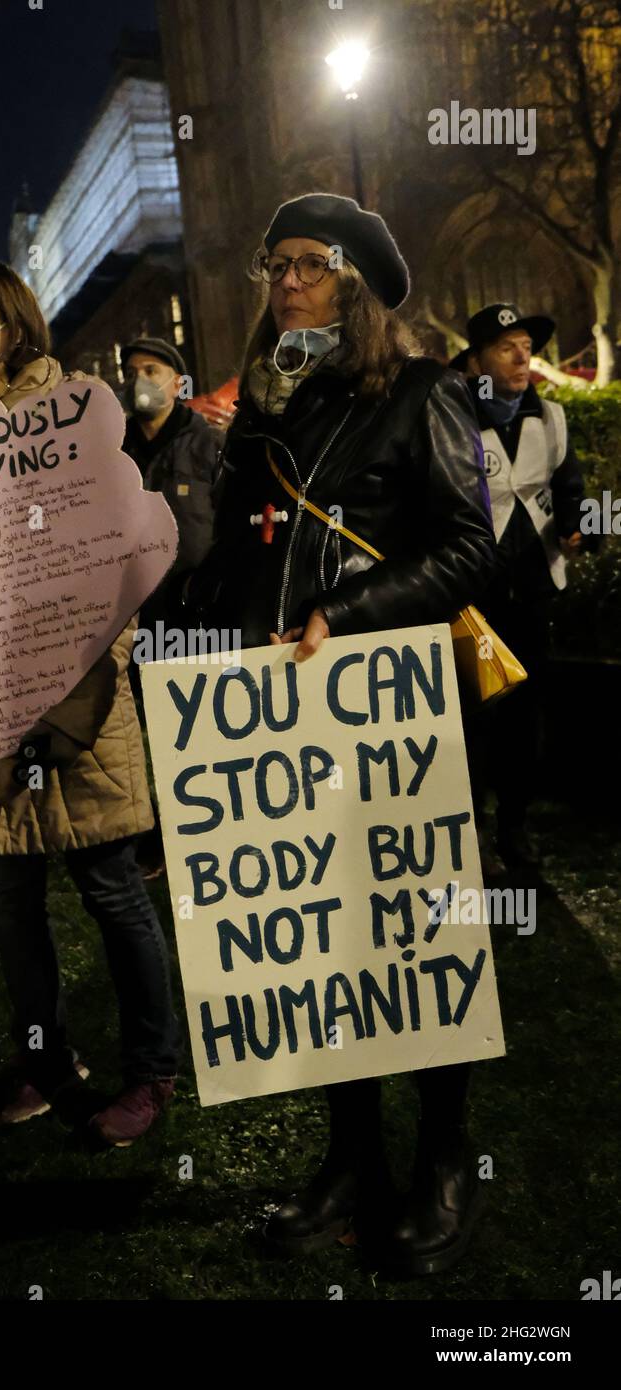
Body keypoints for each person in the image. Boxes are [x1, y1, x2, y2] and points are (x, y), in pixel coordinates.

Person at [180, 194, 498, 1277]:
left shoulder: (423, 394)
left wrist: (348, 615)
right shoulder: (267, 415)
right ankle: (351, 1158)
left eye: (308, 266)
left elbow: (470, 546)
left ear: (355, 284)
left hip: (387, 710)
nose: (284, 284)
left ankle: (445, 1161)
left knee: (416, 938)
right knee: (320, 943)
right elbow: (235, 554)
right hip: (282, 718)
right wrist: (181, 632)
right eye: (274, 266)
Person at [0, 256, 181, 1145]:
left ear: (11, 320)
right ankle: (48, 1065)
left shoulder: (75, 416)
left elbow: (113, 561)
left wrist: (74, 674)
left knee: (113, 893)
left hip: (77, 704)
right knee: (10, 905)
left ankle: (152, 1072)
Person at [451, 304, 592, 871]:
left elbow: (569, 485)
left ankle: (514, 828)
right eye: (507, 347)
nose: (520, 358)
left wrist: (578, 524)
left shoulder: (551, 416)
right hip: (473, 598)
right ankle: (473, 832)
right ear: (478, 360)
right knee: (473, 717)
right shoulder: (451, 416)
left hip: (533, 592)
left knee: (524, 718)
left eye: (525, 347)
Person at [120, 337, 222, 634]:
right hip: (134, 620)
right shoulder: (116, 454)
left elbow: (234, 528)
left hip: (199, 617)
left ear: (178, 384)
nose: (138, 380)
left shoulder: (210, 444)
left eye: (151, 371)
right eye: (130, 374)